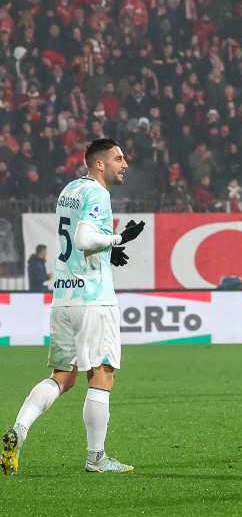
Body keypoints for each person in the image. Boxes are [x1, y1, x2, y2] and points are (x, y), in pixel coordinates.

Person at [1, 138, 146, 475]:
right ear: (99, 164)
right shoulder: (98, 193)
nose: (125, 164)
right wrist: (116, 239)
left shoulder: (69, 190)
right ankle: (96, 458)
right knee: (102, 373)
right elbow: (82, 238)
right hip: (94, 300)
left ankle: (18, 431)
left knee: (63, 377)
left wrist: (107, 253)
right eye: (118, 158)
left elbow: (74, 241)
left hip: (65, 296)